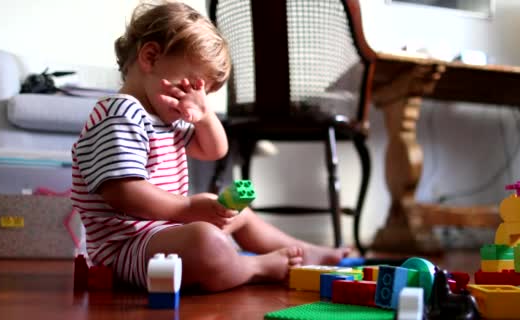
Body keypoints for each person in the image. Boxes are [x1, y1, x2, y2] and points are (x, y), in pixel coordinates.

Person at [71, 1, 349, 292]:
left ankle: (304, 252)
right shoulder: (120, 113)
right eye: (189, 88)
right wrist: (188, 207)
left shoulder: (166, 116)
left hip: (162, 233)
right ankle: (258, 267)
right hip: (125, 249)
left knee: (238, 213)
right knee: (206, 242)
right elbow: (123, 193)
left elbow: (214, 150)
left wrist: (204, 115)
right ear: (150, 57)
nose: (192, 101)